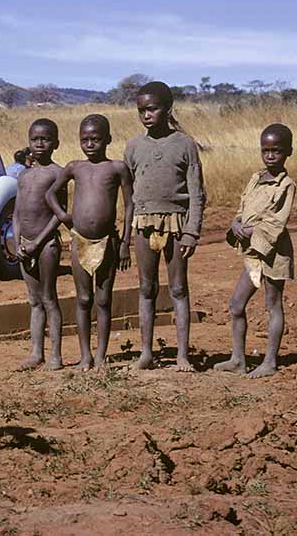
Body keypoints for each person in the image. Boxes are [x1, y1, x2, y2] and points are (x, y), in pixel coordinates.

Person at [124, 81, 206, 372]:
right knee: (146, 288)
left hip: (175, 224)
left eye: (152, 109)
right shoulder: (133, 146)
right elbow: (128, 193)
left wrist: (191, 231)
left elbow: (197, 193)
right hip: (143, 224)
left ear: (167, 109)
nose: (146, 115)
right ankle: (146, 353)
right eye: (141, 110)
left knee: (179, 289)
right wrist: (124, 236)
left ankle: (182, 355)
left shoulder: (184, 144)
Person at [46, 114, 133, 370]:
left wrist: (126, 242)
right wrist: (63, 216)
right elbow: (51, 193)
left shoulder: (118, 168)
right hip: (79, 241)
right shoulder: (74, 167)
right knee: (84, 299)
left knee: (104, 300)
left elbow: (129, 206)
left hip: (109, 242)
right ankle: (85, 355)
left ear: (108, 139)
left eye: (96, 139)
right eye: (85, 140)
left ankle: (102, 356)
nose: (90, 144)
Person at [214, 124, 297, 378]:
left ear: (288, 152)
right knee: (236, 305)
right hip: (253, 252)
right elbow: (243, 207)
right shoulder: (255, 178)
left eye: (277, 151)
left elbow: (276, 223)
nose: (270, 155)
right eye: (266, 150)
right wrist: (235, 223)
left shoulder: (286, 185)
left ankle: (270, 362)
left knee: (273, 305)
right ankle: (238, 359)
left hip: (273, 253)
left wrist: (250, 231)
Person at [14, 119, 67, 370]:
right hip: (25, 245)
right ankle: (36, 353)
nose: (39, 144)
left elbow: (60, 213)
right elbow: (16, 212)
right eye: (35, 139)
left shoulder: (58, 173)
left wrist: (38, 242)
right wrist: (17, 240)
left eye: (45, 139)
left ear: (55, 143)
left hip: (46, 245)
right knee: (34, 300)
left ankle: (55, 356)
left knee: (48, 298)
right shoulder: (23, 175)